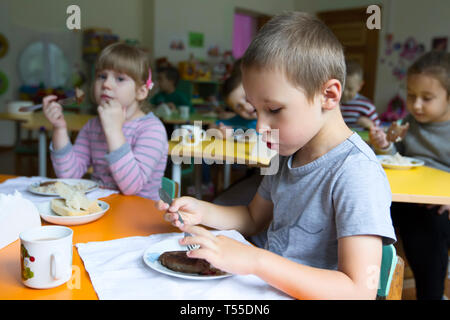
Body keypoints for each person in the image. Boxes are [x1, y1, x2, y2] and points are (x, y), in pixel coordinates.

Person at [156, 12, 396, 299]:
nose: (259, 127)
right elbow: (253, 218)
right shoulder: (285, 155)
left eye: (273, 110)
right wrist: (203, 211)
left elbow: (360, 291)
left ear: (329, 96)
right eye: (255, 110)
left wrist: (256, 260)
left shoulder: (357, 173)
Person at [370, 51, 450, 300]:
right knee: (371, 216)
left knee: (428, 236)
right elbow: (398, 157)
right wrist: (385, 144)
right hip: (405, 198)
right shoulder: (409, 123)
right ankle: (371, 285)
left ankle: (431, 295)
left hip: (436, 207)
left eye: (427, 98)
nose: (416, 105)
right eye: (411, 96)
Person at [43, 42, 168, 200]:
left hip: (139, 215)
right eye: (102, 76)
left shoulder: (151, 129)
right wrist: (59, 129)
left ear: (141, 91)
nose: (106, 84)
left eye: (120, 78)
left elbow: (132, 187)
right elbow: (69, 175)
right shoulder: (93, 126)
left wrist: (114, 131)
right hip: (103, 209)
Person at [340, 60, 381, 130]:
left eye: (350, 89)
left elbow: (378, 129)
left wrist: (370, 124)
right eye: (342, 88)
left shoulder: (367, 106)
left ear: (360, 86)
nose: (345, 93)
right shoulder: (334, 104)